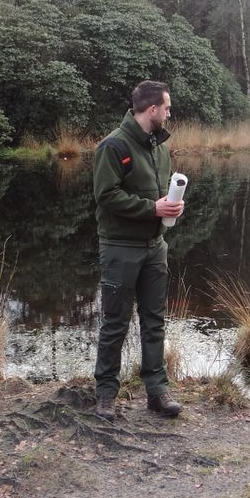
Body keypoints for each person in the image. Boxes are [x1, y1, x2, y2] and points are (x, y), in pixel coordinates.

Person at [92, 80, 184, 421]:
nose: (169, 113)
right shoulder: (113, 146)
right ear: (152, 110)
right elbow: (106, 196)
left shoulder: (159, 146)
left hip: (155, 247)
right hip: (120, 249)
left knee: (154, 321)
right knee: (114, 323)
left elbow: (159, 193)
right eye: (167, 108)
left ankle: (157, 392)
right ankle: (105, 395)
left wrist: (171, 207)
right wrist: (153, 209)